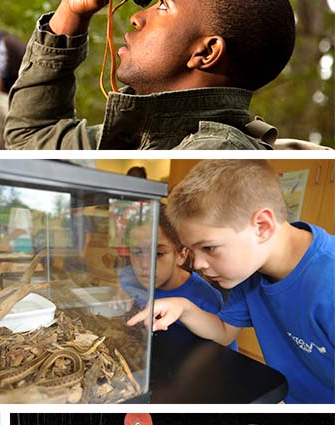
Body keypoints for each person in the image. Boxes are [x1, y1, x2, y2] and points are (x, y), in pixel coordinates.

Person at [5, 0, 296, 149]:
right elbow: (30, 139)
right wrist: (72, 10)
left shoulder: (214, 154)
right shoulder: (155, 135)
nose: (137, 18)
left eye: (164, 6)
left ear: (206, 52)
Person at [128, 160, 335, 403]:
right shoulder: (251, 273)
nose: (197, 265)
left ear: (262, 227)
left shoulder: (328, 281)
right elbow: (224, 332)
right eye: (194, 251)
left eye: (209, 247)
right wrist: (183, 307)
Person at [120, 204, 234, 349]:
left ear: (181, 255)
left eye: (158, 254)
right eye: (137, 252)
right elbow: (121, 278)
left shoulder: (206, 299)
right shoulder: (129, 277)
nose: (144, 264)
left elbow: (224, 354)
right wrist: (119, 292)